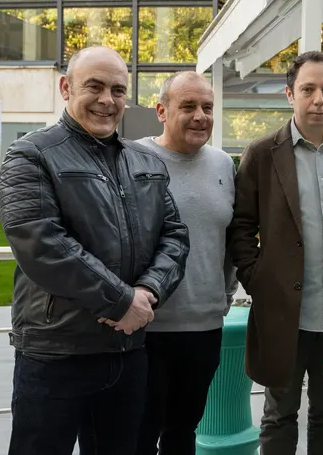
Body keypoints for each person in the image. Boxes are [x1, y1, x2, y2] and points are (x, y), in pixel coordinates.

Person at [0, 46, 190, 455]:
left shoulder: (145, 160)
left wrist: (149, 293)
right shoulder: (30, 155)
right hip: (55, 355)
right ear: (66, 88)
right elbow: (41, 243)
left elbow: (174, 236)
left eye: (118, 90)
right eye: (95, 86)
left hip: (127, 354)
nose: (107, 100)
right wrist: (122, 301)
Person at [229, 50, 323, 454]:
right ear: (289, 94)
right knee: (279, 412)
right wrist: (258, 279)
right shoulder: (262, 154)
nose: (318, 98)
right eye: (308, 89)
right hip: (284, 311)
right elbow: (241, 226)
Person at [135, 71, 238, 455]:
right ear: (162, 111)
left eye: (207, 108)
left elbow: (230, 239)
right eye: (188, 106)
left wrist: (224, 294)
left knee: (183, 432)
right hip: (146, 327)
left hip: (205, 327)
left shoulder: (224, 165)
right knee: (140, 433)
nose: (200, 116)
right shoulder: (133, 158)